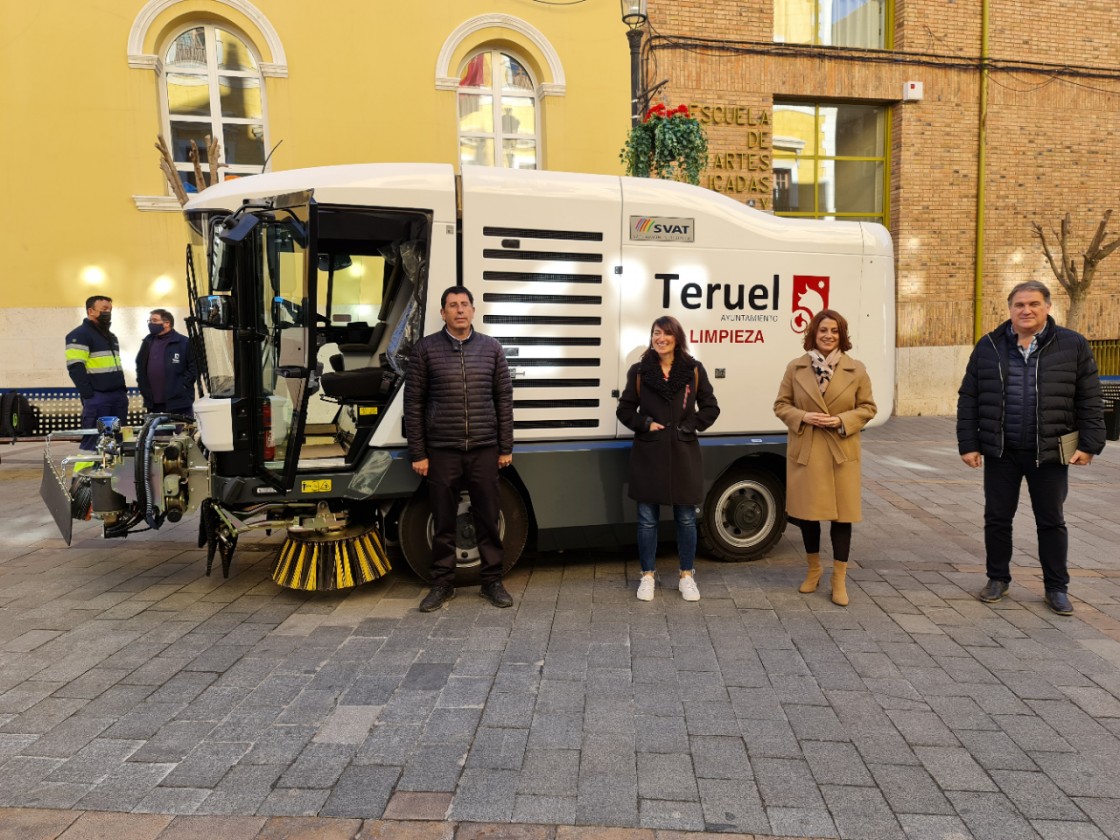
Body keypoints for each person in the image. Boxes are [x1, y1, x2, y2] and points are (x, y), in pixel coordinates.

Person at [957, 280, 1106, 616]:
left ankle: (1056, 588)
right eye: (1019, 305)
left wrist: (1090, 444)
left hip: (1049, 452)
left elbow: (1089, 397)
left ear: (1047, 307)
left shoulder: (1072, 345)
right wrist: (969, 443)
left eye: (1034, 304)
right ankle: (997, 578)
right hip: (1001, 451)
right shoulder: (990, 346)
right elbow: (969, 396)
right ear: (1010, 309)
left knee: (1051, 521)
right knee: (997, 518)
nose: (1026, 310)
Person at [404, 286, 515, 612]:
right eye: (452, 305)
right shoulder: (426, 350)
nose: (459, 310)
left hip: (484, 449)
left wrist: (505, 446)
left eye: (464, 304)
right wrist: (418, 452)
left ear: (473, 310)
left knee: (487, 518)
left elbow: (503, 400)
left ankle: (492, 581)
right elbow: (414, 404)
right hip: (442, 451)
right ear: (443, 313)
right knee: (443, 521)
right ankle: (442, 584)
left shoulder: (492, 349)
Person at [773, 309, 877, 606]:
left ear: (841, 335)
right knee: (808, 516)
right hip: (807, 452)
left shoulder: (856, 369)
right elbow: (781, 405)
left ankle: (839, 578)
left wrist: (842, 420)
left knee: (842, 517)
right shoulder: (796, 367)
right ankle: (814, 569)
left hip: (841, 453)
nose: (828, 335)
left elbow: (868, 408)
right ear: (813, 334)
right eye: (822, 330)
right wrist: (804, 415)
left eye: (834, 330)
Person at [617, 316, 720, 602]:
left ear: (677, 338)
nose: (660, 338)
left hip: (684, 452)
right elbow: (624, 410)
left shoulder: (693, 370)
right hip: (649, 453)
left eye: (666, 334)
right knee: (646, 519)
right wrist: (645, 423)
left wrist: (689, 426)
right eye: (655, 333)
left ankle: (687, 575)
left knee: (686, 518)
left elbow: (711, 408)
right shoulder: (640, 371)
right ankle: (647, 575)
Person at [65, 295, 128, 451]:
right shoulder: (80, 335)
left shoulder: (111, 337)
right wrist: (89, 395)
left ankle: (111, 473)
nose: (108, 313)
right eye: (104, 309)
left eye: (110, 310)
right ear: (91, 311)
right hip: (98, 398)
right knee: (94, 441)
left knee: (116, 441)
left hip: (117, 396)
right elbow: (75, 367)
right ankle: (81, 474)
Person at [136, 309, 197, 418]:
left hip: (179, 403)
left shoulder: (183, 342)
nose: (151, 324)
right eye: (149, 321)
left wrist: (182, 384)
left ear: (167, 323)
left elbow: (195, 367)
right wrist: (143, 387)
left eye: (154, 320)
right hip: (154, 404)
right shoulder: (147, 342)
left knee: (182, 434)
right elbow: (140, 366)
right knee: (158, 434)